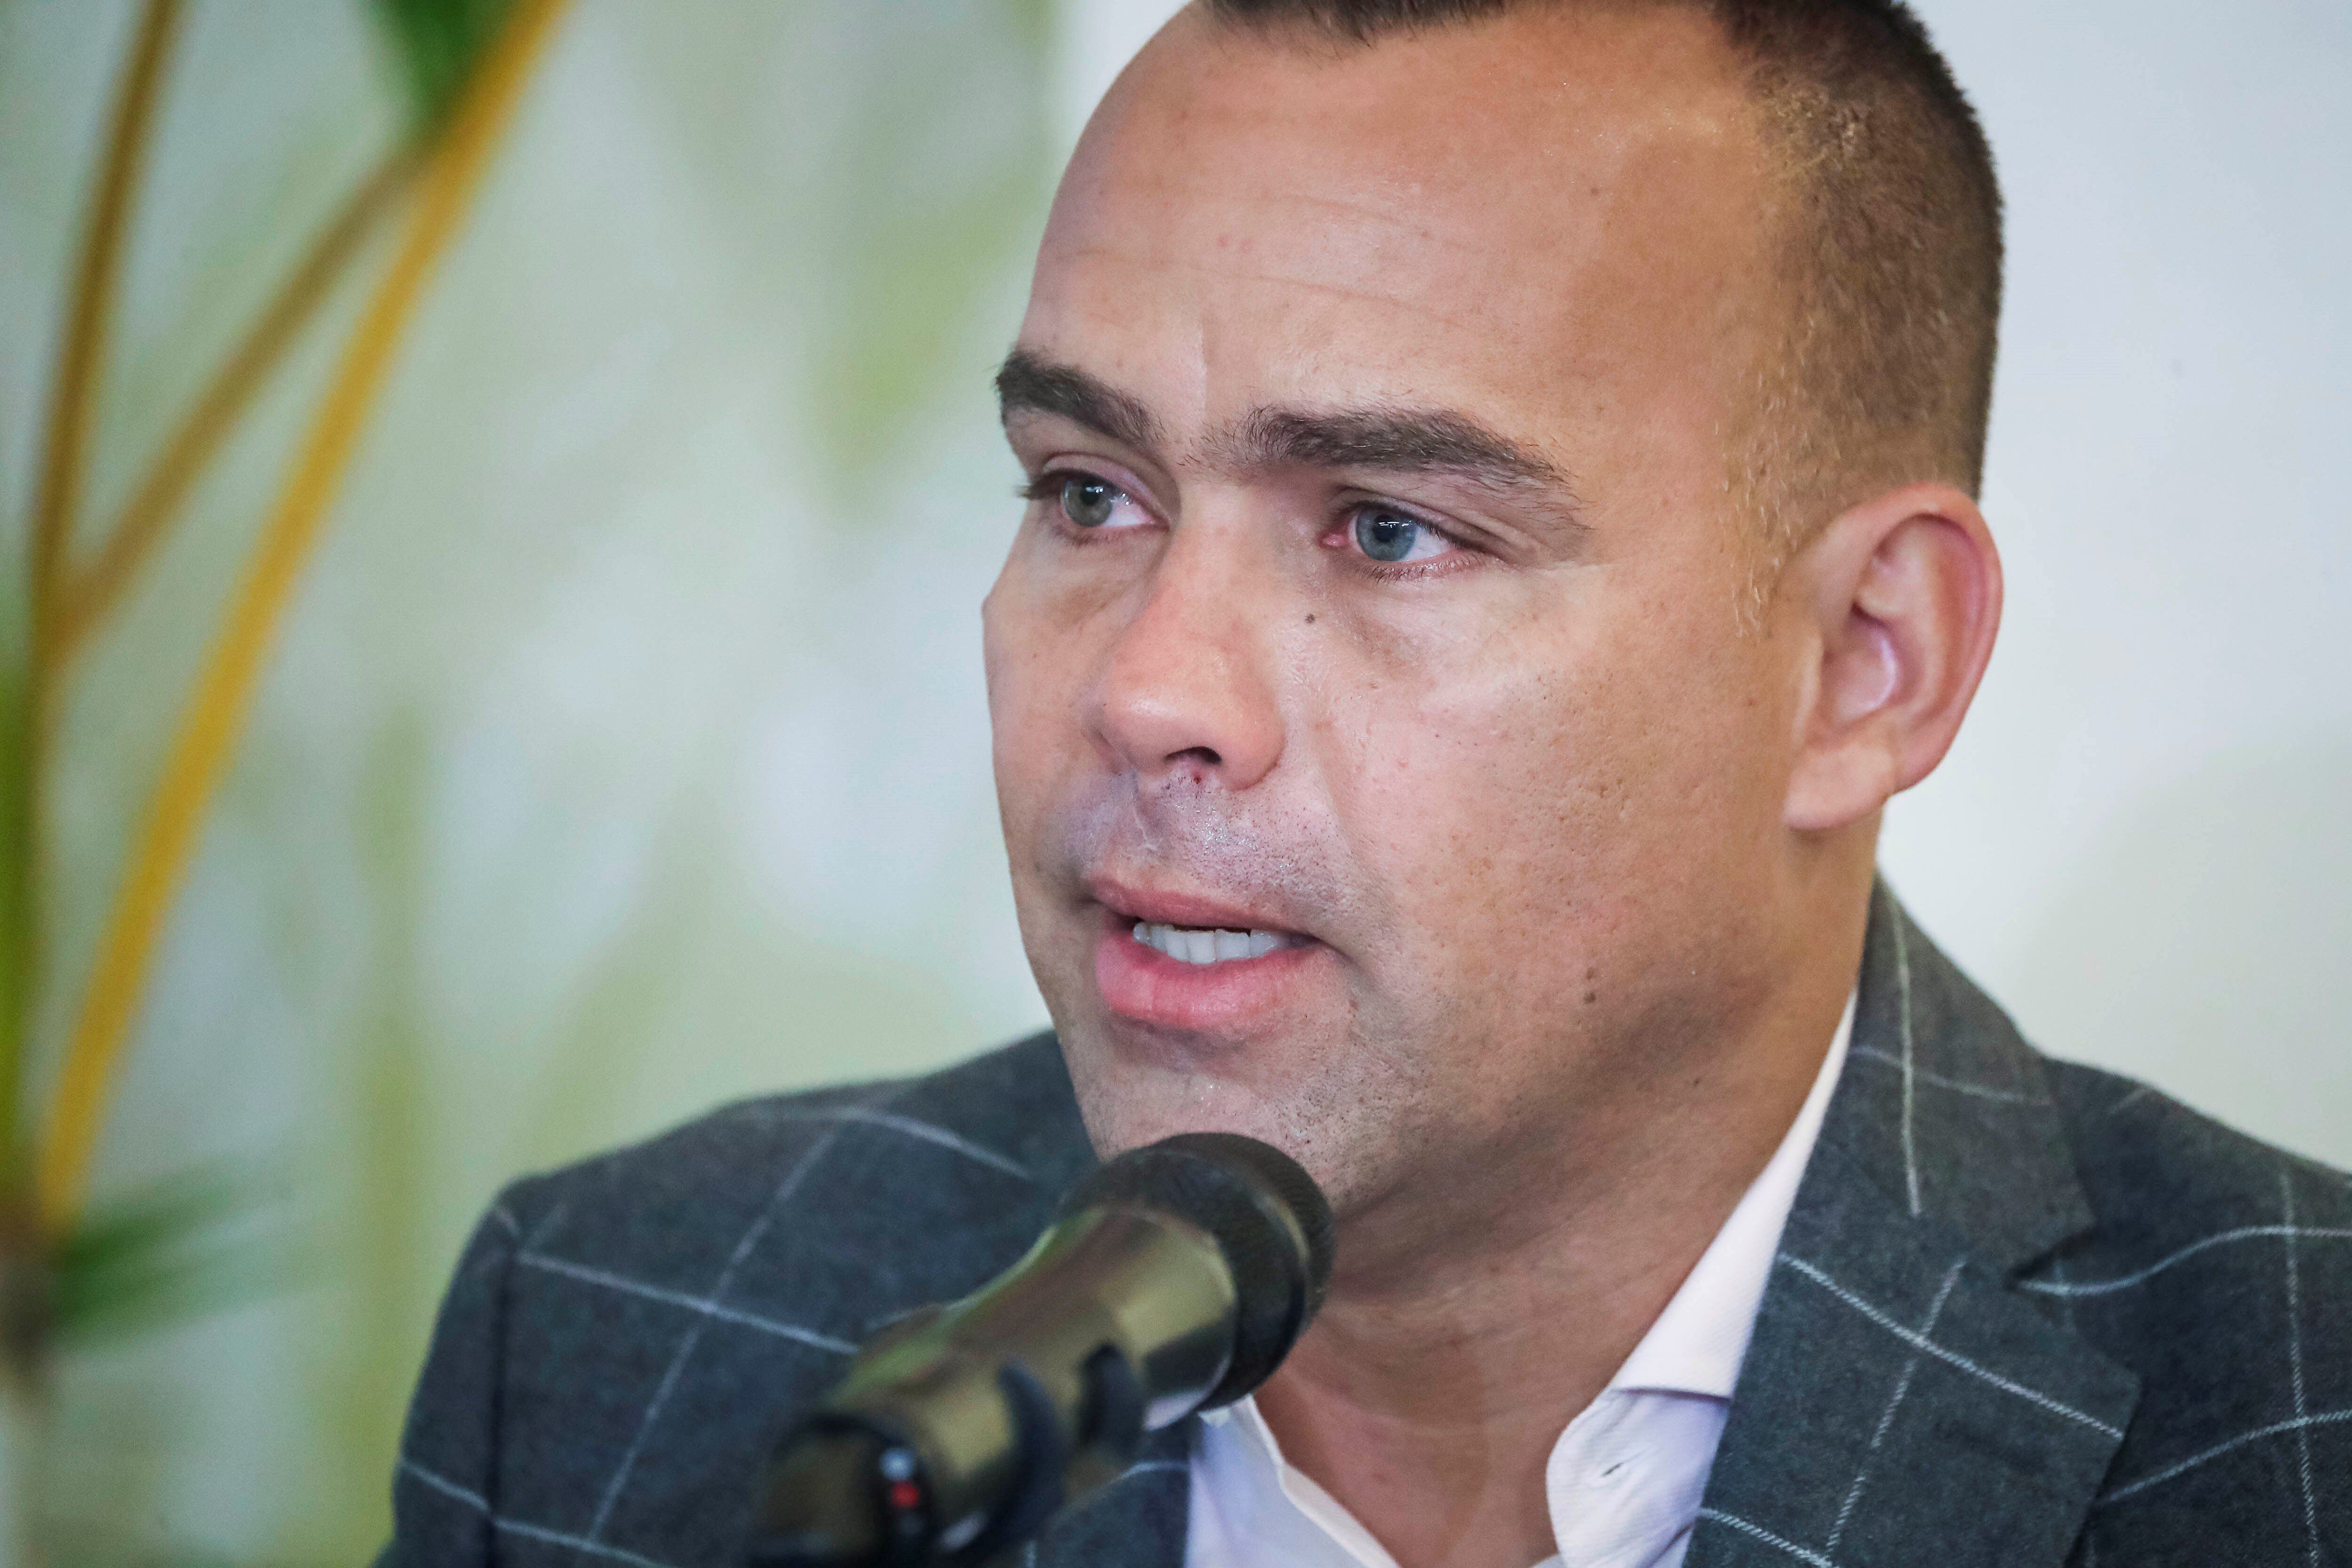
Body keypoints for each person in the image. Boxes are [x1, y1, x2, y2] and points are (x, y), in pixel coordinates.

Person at [380, 3, 2351, 1565]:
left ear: (1863, 665)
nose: (1148, 690)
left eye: (1387, 530)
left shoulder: (2298, 1417)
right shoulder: (618, 1342)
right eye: (1087, 492)